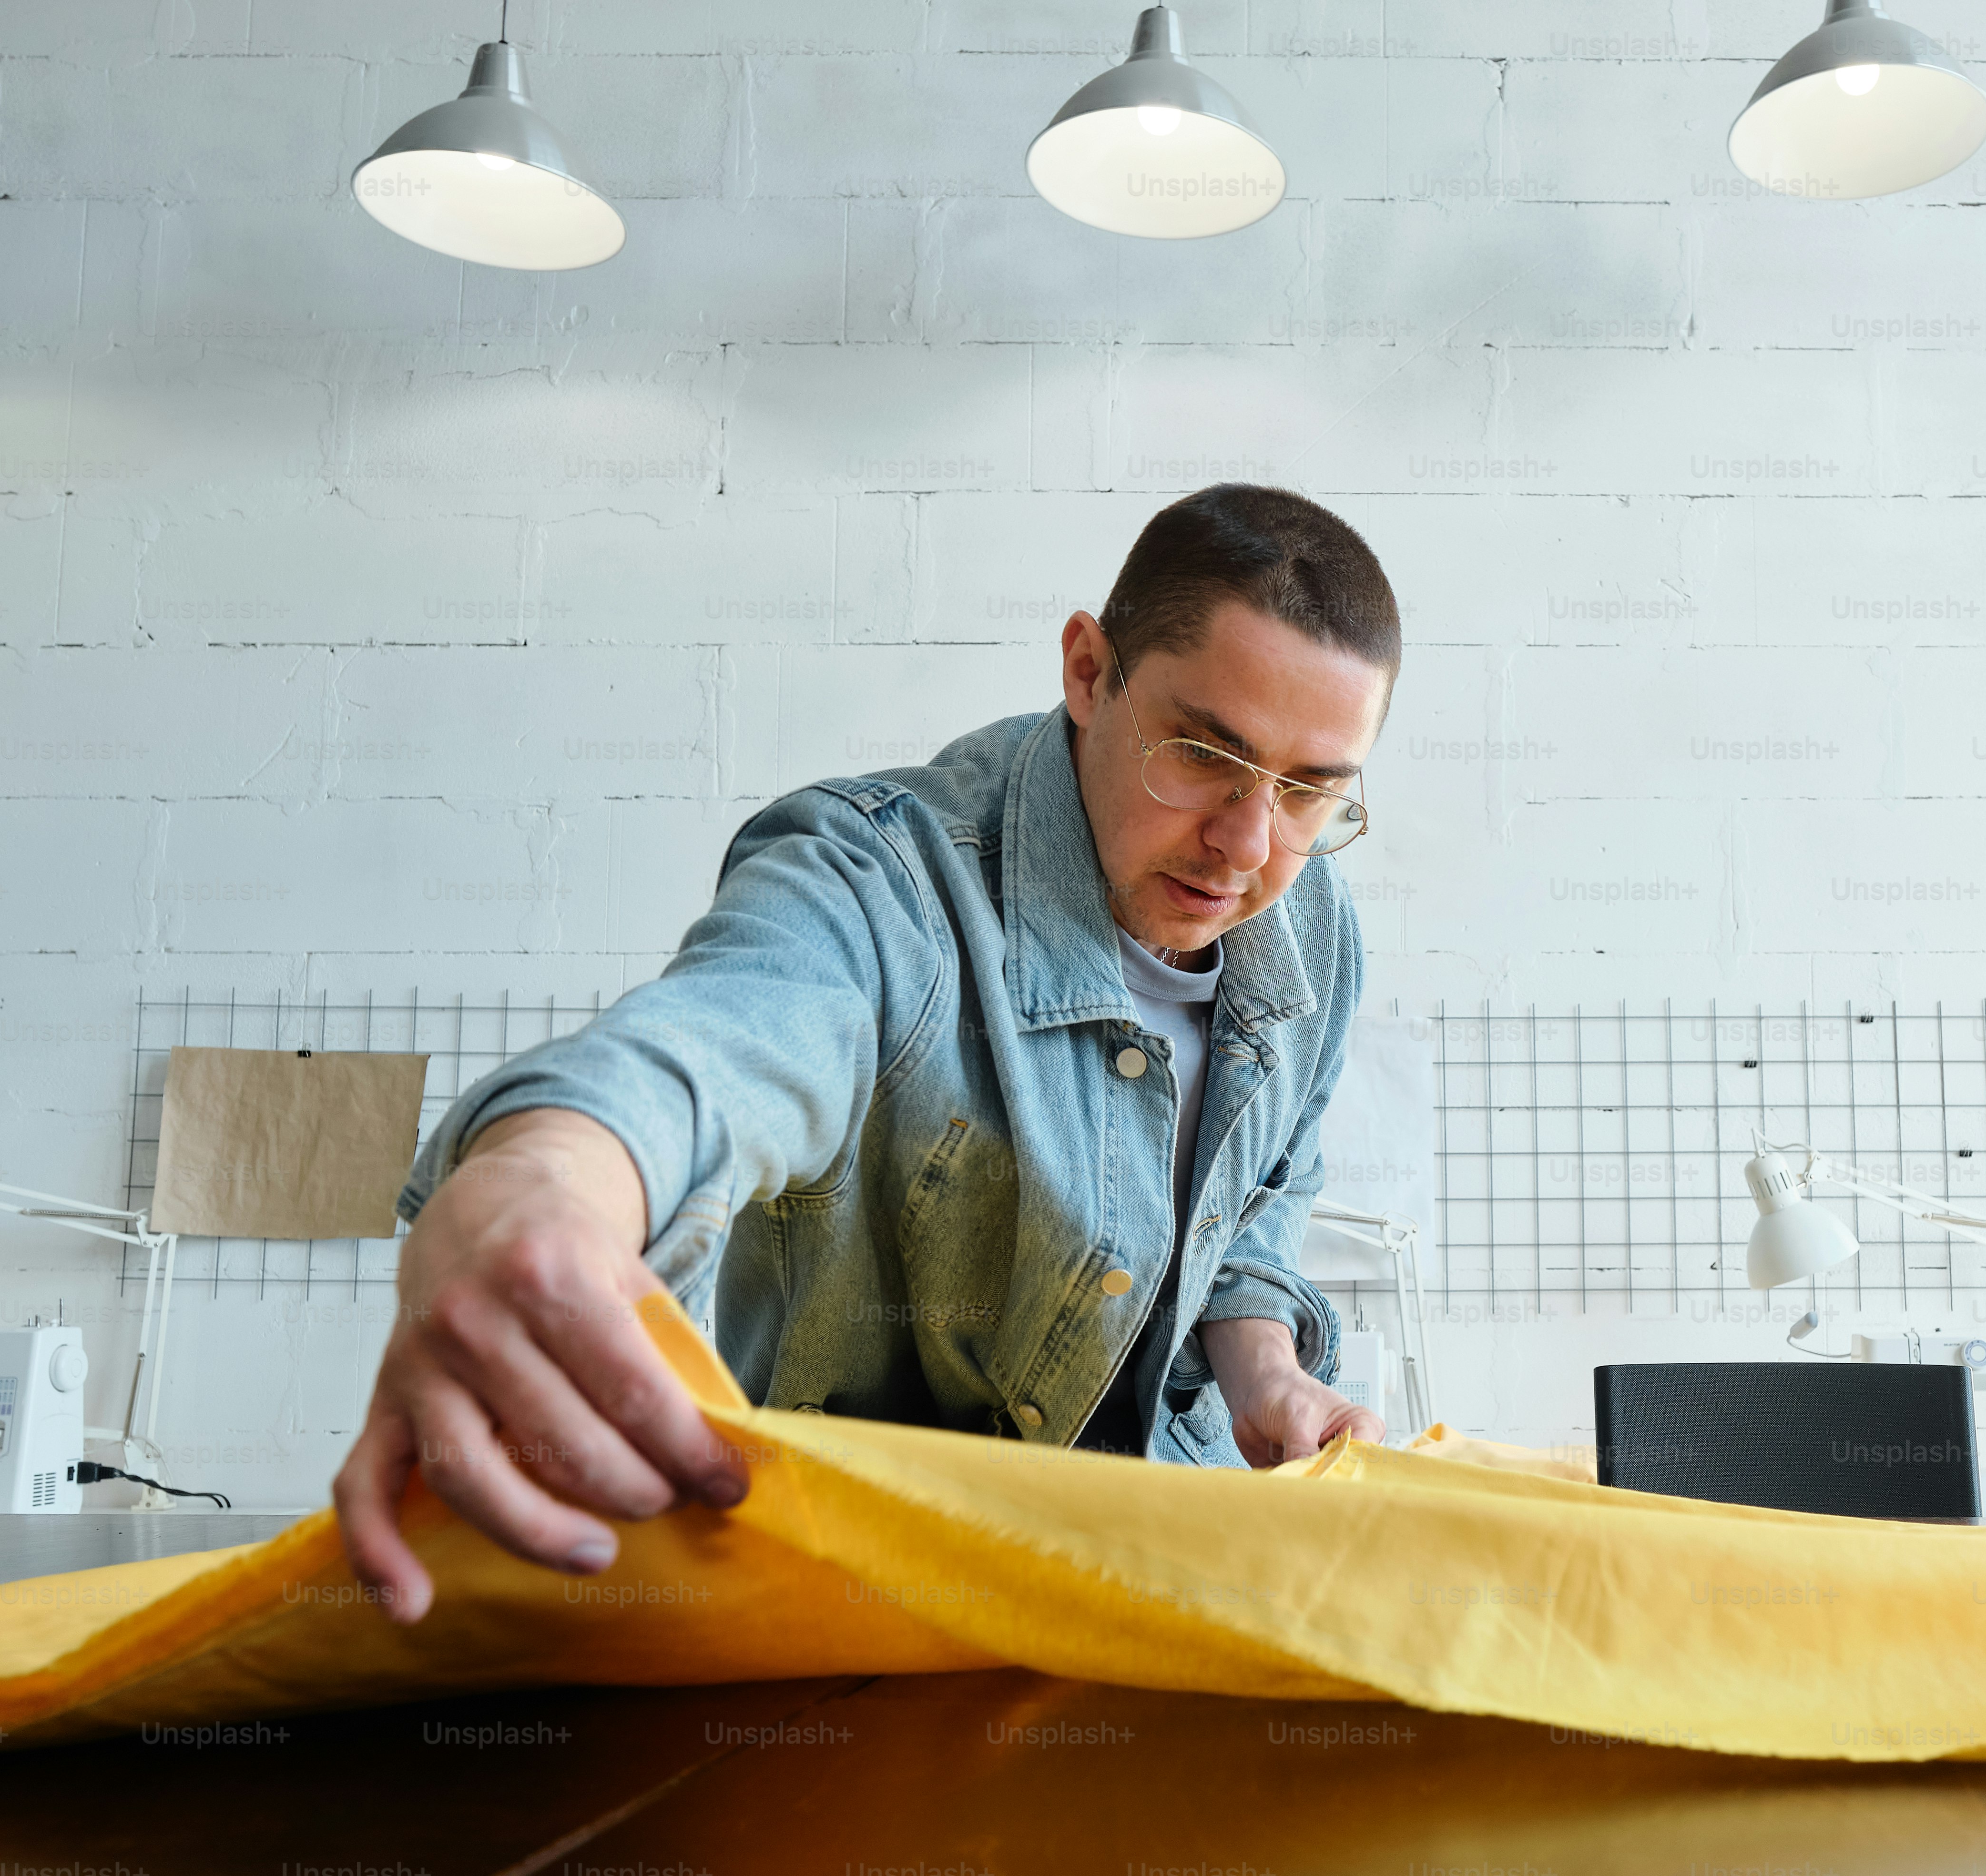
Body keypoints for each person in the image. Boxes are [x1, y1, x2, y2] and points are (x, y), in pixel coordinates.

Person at [335, 485, 1397, 1622]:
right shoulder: (877, 880)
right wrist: (531, 1185)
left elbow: (1254, 1211)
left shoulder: (1312, 925)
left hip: (1143, 1582)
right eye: (1199, 753)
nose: (1247, 843)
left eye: (1308, 791)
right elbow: (719, 1044)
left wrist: (1264, 1369)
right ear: (1089, 672)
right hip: (832, 1601)